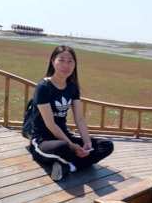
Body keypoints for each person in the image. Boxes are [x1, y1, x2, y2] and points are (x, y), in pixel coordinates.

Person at [29, 45, 114, 181]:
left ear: (75, 65)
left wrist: (87, 142)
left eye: (70, 61)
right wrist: (72, 146)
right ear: (53, 61)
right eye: (61, 60)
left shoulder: (72, 87)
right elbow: (51, 124)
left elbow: (79, 119)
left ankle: (69, 167)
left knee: (106, 145)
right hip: (43, 140)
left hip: (65, 135)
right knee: (63, 147)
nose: (66, 65)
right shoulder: (43, 87)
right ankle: (73, 161)